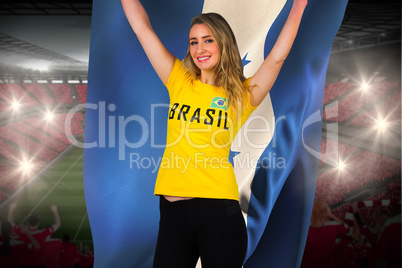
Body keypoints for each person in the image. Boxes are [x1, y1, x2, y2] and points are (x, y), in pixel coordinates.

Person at [121, 0, 307, 267]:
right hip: (172, 213)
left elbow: (277, 57)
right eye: (193, 41)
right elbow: (142, 28)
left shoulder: (241, 95)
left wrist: (300, 5)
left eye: (207, 40)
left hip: (218, 213)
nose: (199, 49)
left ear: (223, 44)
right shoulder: (178, 80)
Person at [8, 202, 61, 268]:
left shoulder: (21, 232)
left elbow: (9, 224)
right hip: (39, 264)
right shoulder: (43, 233)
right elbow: (57, 224)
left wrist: (11, 209)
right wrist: (55, 210)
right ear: (38, 223)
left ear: (28, 222)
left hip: (25, 264)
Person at [301, 199, 351, 268]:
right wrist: (331, 215)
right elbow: (347, 228)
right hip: (327, 264)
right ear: (325, 212)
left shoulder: (304, 229)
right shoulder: (333, 227)